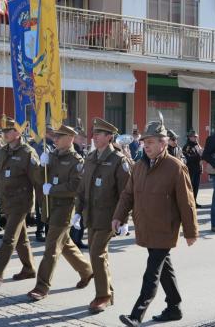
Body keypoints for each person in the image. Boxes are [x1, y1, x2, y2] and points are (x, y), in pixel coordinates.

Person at [112, 118, 198, 327]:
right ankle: (174, 307)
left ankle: (136, 315)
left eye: (150, 142)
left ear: (163, 143)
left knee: (152, 272)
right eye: (144, 142)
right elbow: (127, 195)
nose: (145, 146)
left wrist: (190, 231)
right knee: (164, 267)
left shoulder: (175, 167)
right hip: (146, 226)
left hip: (164, 228)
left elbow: (187, 203)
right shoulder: (139, 167)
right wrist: (118, 216)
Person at [27, 125, 93, 301]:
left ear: (71, 138)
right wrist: (42, 165)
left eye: (59, 136)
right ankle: (87, 271)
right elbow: (40, 179)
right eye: (54, 136)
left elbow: (75, 187)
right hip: (49, 205)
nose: (54, 139)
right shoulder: (52, 155)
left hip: (64, 207)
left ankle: (42, 286)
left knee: (51, 247)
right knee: (65, 244)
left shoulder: (76, 161)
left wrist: (54, 189)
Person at [75, 118, 131, 314]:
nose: (94, 136)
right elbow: (82, 188)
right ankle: (109, 292)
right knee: (98, 255)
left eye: (99, 133)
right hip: (91, 215)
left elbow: (126, 192)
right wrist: (77, 212)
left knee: (96, 254)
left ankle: (103, 296)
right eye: (94, 133)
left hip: (110, 216)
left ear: (109, 137)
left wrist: (124, 219)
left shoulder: (118, 160)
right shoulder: (90, 158)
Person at [0, 117, 41, 285]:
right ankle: (29, 269)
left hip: (21, 202)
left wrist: (42, 205)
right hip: (7, 200)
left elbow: (38, 180)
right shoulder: (4, 150)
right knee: (21, 239)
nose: (5, 134)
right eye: (4, 131)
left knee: (9, 238)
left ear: (18, 132)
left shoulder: (27, 153)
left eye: (8, 131)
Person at [34, 125, 56, 242]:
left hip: (50, 181)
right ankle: (40, 231)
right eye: (51, 133)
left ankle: (47, 230)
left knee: (48, 206)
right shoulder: (41, 146)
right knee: (42, 207)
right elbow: (40, 164)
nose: (54, 135)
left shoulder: (52, 145)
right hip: (42, 181)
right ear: (46, 133)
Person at [71, 126, 88, 249]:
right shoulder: (74, 152)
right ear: (74, 138)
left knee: (80, 215)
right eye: (81, 137)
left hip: (82, 187)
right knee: (77, 214)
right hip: (76, 188)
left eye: (83, 137)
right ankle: (75, 239)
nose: (83, 140)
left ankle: (77, 239)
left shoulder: (81, 150)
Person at [182, 130, 203, 208]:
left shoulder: (197, 145)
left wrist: (202, 155)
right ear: (190, 137)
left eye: (196, 137)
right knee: (191, 187)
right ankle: (190, 202)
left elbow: (200, 156)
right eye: (194, 137)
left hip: (197, 169)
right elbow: (187, 158)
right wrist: (198, 156)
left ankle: (194, 201)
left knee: (196, 187)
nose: (195, 138)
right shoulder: (187, 147)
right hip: (191, 169)